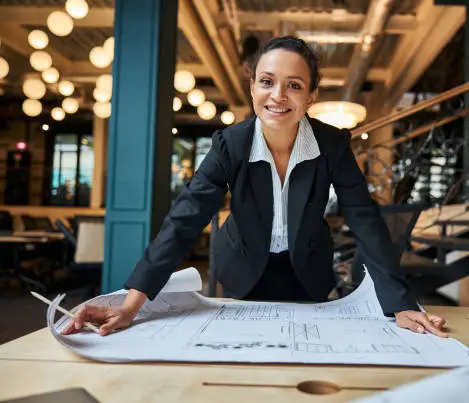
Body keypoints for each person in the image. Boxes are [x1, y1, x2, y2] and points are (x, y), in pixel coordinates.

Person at [63, 36, 448, 338]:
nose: (278, 96)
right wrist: (131, 306)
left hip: (308, 271)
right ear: (252, 88)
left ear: (311, 96)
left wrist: (400, 304)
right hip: (243, 267)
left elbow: (364, 218)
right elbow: (184, 220)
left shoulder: (332, 145)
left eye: (294, 85)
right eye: (267, 82)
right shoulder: (230, 144)